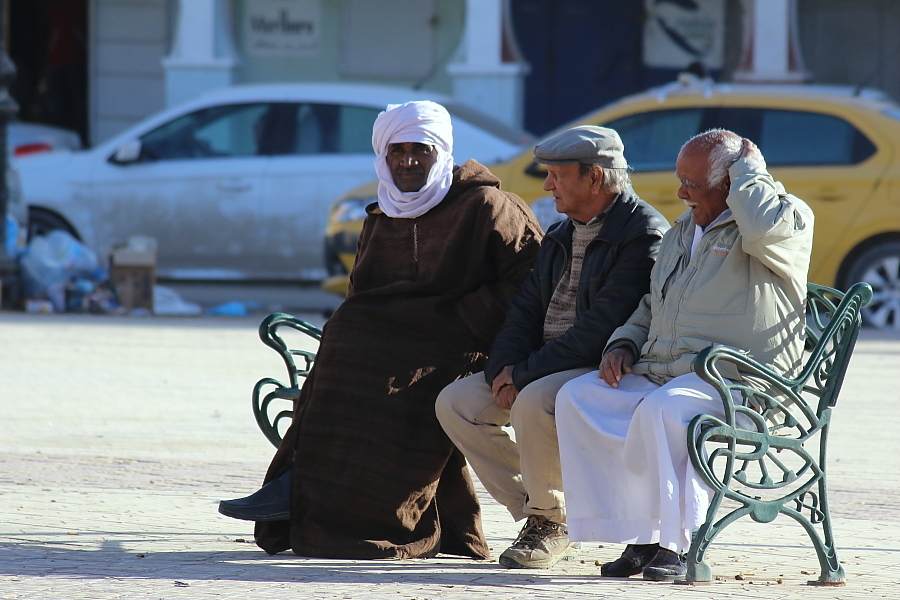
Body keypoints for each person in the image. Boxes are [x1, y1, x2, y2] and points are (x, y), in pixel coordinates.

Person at [218, 101, 543, 560]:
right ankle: (299, 490)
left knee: (384, 379)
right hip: (395, 344)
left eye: (420, 150)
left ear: (442, 152)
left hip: (466, 342)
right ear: (382, 155)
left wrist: (464, 316)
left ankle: (352, 510)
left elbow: (532, 282)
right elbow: (360, 294)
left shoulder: (487, 206)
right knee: (345, 347)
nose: (408, 161)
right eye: (398, 150)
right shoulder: (382, 214)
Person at [555, 129, 814, 581]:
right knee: (579, 398)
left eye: (692, 184)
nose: (681, 193)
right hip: (669, 372)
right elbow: (653, 303)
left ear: (731, 183)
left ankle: (681, 542)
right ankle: (640, 534)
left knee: (663, 412)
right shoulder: (683, 230)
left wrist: (749, 169)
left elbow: (764, 225)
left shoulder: (782, 220)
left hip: (739, 383)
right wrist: (624, 341)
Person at [436, 126, 669, 569]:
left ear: (595, 178)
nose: (547, 186)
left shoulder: (642, 234)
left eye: (557, 175)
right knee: (456, 403)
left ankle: (550, 519)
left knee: (534, 401)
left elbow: (602, 328)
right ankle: (548, 516)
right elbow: (524, 310)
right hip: (542, 363)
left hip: (600, 365)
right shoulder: (563, 231)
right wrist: (504, 367)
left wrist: (523, 376)